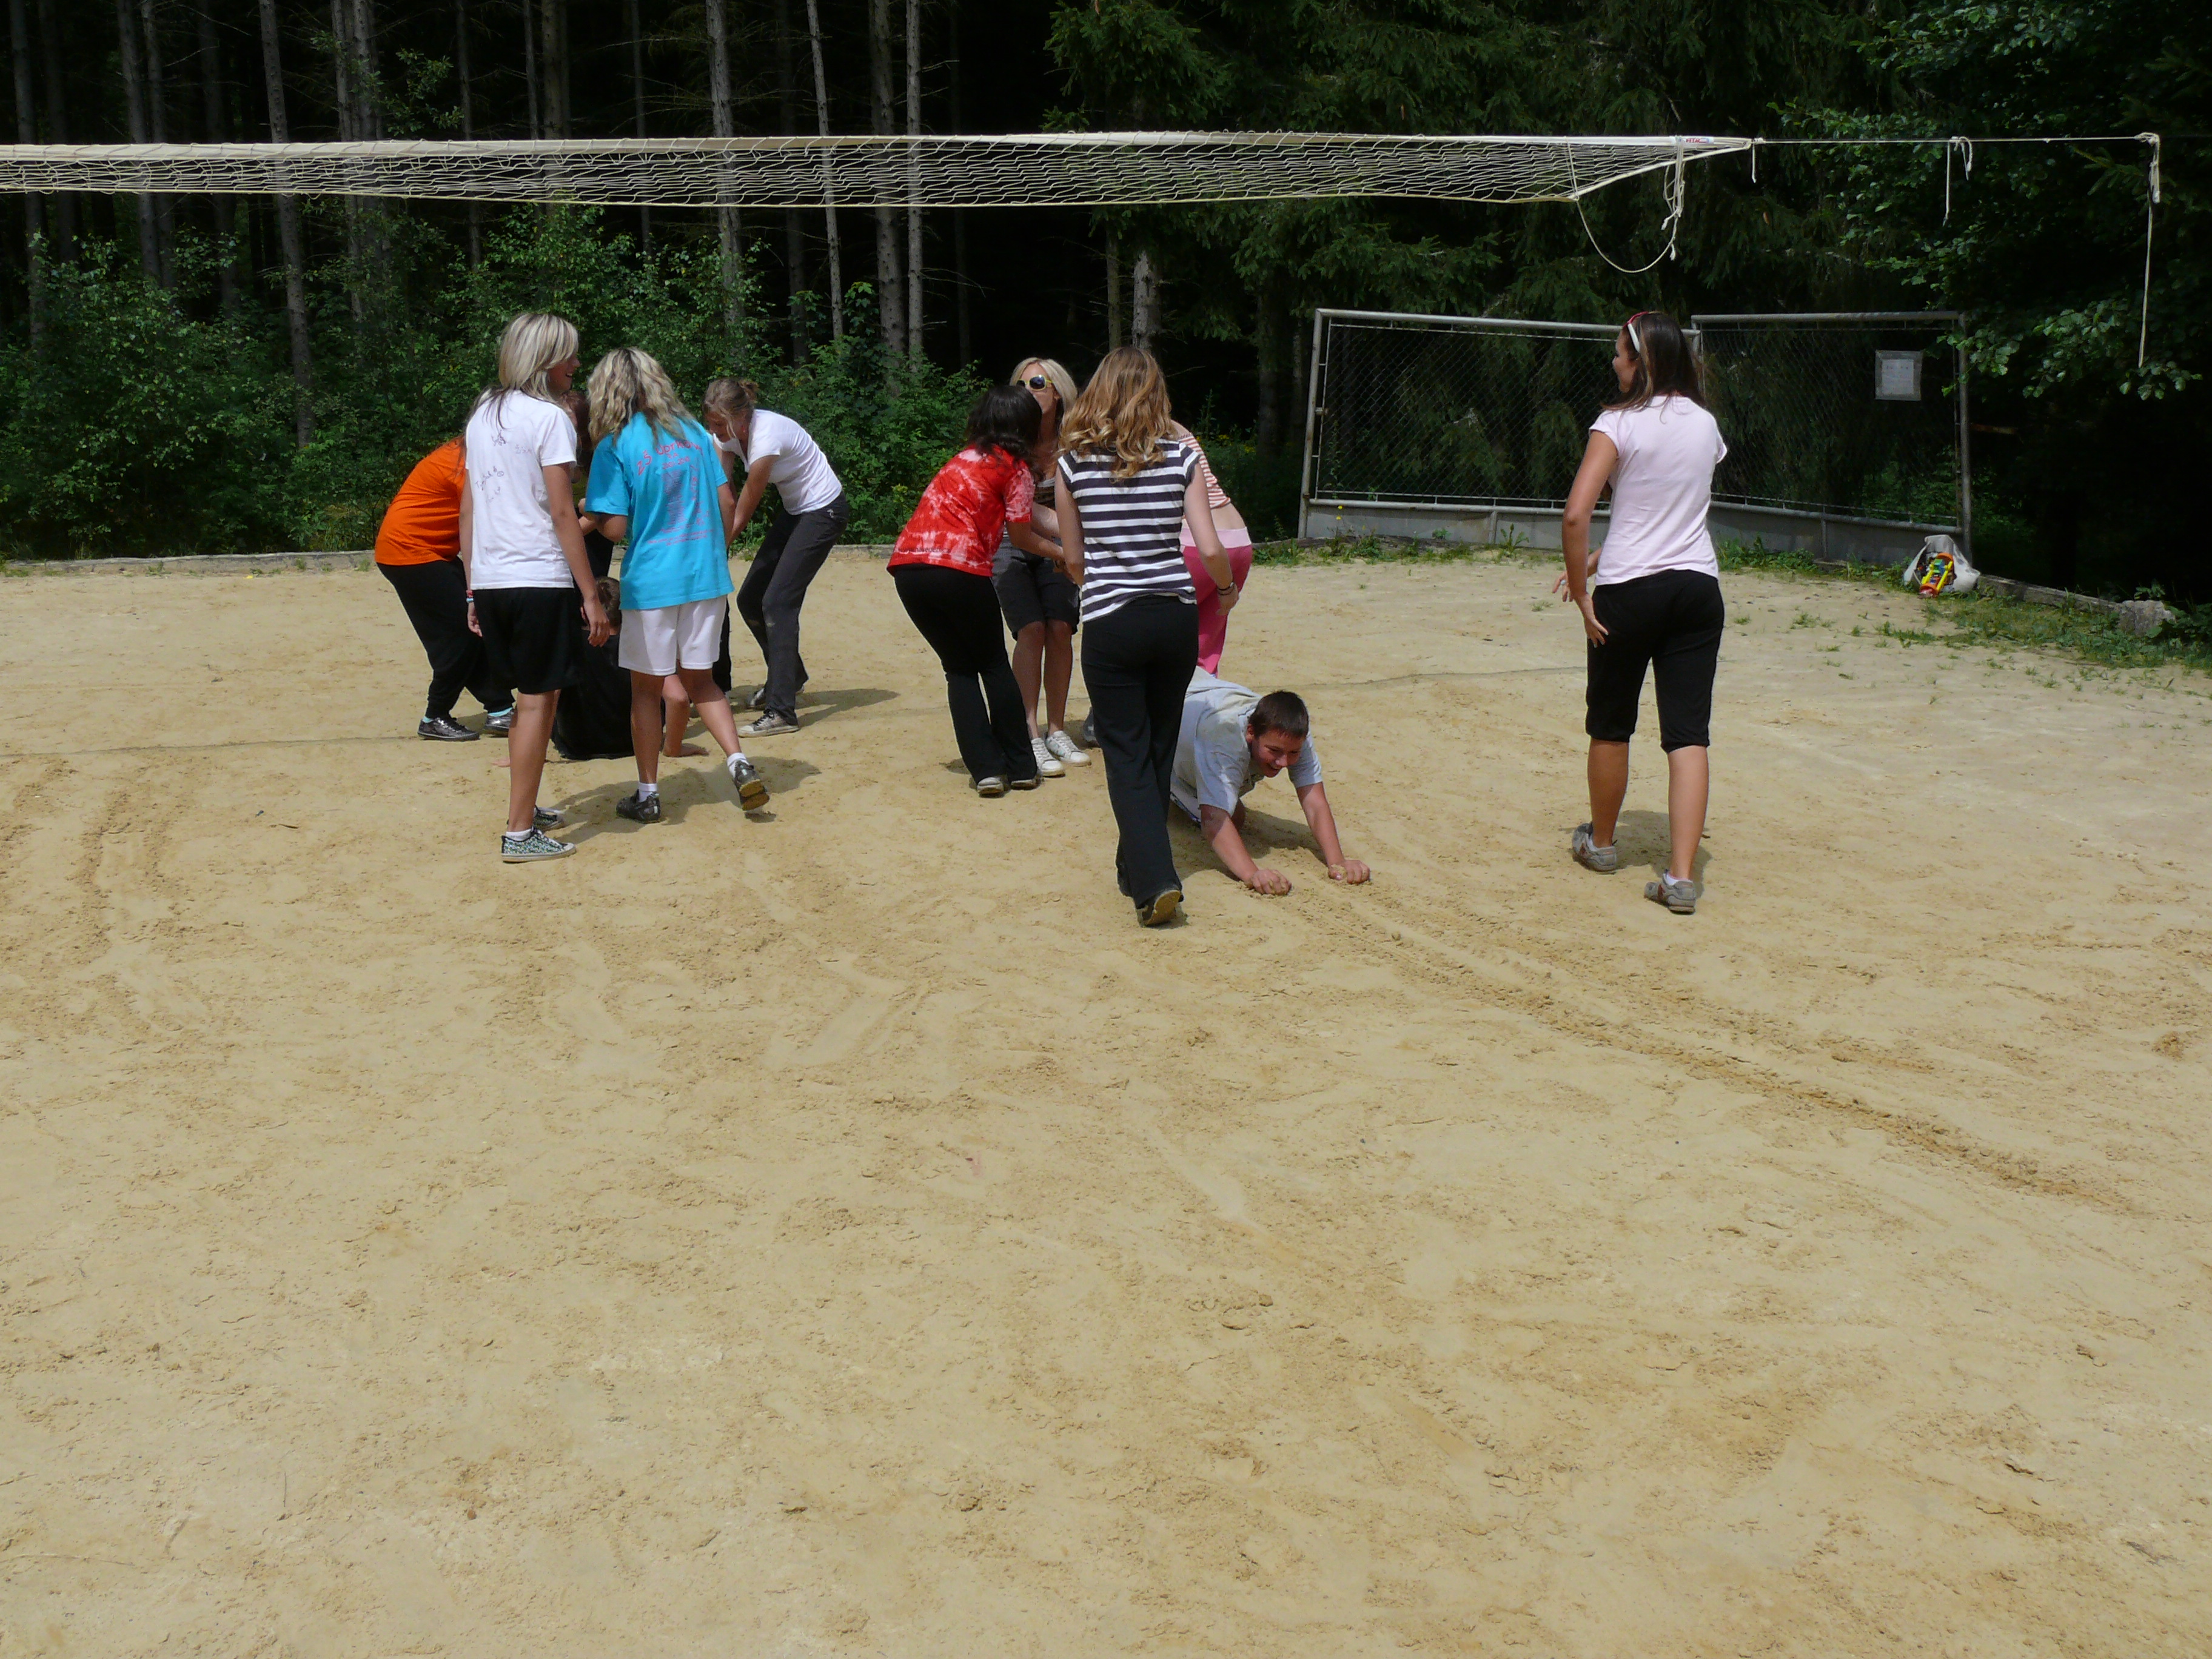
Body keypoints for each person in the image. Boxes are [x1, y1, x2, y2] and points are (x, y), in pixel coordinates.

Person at [1056, 347, 1238, 927]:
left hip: (1113, 621)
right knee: (1156, 746)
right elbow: (1209, 545)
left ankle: (1156, 880)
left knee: (1126, 753)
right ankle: (1135, 866)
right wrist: (1226, 590)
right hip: (1173, 618)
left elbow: (1074, 559)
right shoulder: (1182, 457)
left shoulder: (1071, 465)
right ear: (1155, 395)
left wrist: (1101, 584)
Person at [1558, 308, 1728, 916]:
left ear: (1643, 360)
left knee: (1611, 722)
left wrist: (1584, 592)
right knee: (1688, 734)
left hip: (1630, 594)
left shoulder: (1617, 423)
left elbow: (1575, 515)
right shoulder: (1705, 424)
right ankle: (1680, 879)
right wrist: (1602, 555)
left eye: (1620, 353)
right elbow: (1666, 509)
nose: (1614, 363)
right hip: (1697, 589)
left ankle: (1603, 845)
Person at [583, 347, 769, 820]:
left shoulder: (615, 445)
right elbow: (726, 501)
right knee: (703, 682)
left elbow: (616, 530)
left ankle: (648, 794)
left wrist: (592, 511)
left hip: (653, 582)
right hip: (705, 576)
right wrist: (713, 551)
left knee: (646, 691)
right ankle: (739, 762)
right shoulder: (693, 433)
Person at [460, 311, 612, 863]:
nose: (576, 364)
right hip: (537, 577)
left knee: (530, 700)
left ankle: (525, 809)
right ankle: (520, 833)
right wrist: (590, 593)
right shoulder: (549, 418)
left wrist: (472, 588)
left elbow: (469, 507)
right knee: (537, 702)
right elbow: (563, 513)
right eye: (569, 354)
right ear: (546, 359)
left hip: (494, 579)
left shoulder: (483, 413)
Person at [889, 386, 1063, 796]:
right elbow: (1021, 536)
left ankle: (986, 771)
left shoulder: (963, 459)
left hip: (909, 570)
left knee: (959, 668)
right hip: (960, 569)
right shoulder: (1016, 468)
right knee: (994, 665)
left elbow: (1028, 517)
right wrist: (1062, 555)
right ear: (1028, 426)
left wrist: (1067, 536)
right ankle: (1021, 767)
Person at [702, 378, 850, 737]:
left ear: (740, 417)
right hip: (797, 511)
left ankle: (782, 711)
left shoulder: (766, 437)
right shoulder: (725, 435)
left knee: (778, 602)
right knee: (751, 599)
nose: (714, 431)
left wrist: (718, 548)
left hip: (824, 510)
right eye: (710, 423)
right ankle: (790, 676)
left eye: (719, 424)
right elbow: (725, 493)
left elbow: (745, 507)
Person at [1171, 672, 1370, 894]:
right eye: (1274, 751)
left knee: (1232, 812)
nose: (1283, 762)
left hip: (1199, 690)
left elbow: (1314, 801)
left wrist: (1338, 861)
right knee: (1233, 817)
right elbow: (1214, 819)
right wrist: (1252, 874)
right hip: (1168, 713)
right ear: (1251, 732)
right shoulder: (1224, 739)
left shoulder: (1291, 734)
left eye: (1293, 753)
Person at [374, 437, 514, 741]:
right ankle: (434, 716)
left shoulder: (474, 452)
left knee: (473, 629)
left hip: (429, 551)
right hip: (411, 551)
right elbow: (486, 520)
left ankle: (500, 709)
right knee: (459, 635)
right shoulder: (467, 463)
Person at [993, 357, 1088, 779]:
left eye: (1036, 383)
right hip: (1011, 539)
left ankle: (1057, 730)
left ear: (1058, 392)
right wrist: (1066, 547)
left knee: (1061, 628)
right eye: (1020, 384)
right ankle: (1029, 732)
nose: (1027, 391)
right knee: (1030, 629)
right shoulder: (1006, 441)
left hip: (1059, 542)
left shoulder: (1077, 443)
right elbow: (1019, 517)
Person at [1168, 421, 1255, 674]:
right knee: (1204, 651)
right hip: (1238, 538)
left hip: (1197, 541)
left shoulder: (1134, 429)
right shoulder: (1174, 426)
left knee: (1162, 640)